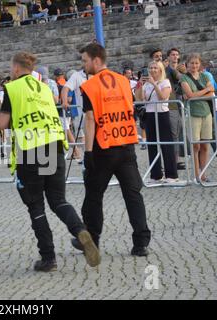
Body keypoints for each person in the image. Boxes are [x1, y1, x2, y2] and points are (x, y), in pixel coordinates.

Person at [0, 52, 100, 271]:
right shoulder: (44, 88)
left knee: (36, 206)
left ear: (16, 68)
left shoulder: (13, 89)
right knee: (58, 201)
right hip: (54, 146)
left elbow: (2, 123)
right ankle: (81, 231)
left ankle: (48, 258)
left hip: (30, 151)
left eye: (11, 68)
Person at [76, 43, 151, 257]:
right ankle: (141, 243)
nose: (83, 65)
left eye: (85, 60)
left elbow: (90, 120)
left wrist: (88, 152)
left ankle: (92, 240)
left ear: (96, 60)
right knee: (133, 194)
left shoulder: (90, 86)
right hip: (126, 143)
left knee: (93, 195)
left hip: (103, 146)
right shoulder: (123, 81)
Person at [135, 61, 178, 183]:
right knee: (152, 145)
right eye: (150, 68)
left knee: (166, 144)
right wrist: (140, 84)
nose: (153, 70)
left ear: (160, 70)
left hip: (162, 114)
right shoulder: (146, 84)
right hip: (150, 114)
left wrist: (154, 84)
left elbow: (163, 97)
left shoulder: (165, 82)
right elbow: (139, 98)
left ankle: (171, 175)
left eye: (155, 68)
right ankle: (156, 175)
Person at [180, 53, 214, 183]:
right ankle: (196, 175)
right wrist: (205, 90)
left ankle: (203, 174)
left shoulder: (205, 76)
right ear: (187, 64)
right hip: (194, 114)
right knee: (196, 146)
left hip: (206, 113)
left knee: (205, 146)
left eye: (196, 63)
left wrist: (196, 95)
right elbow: (190, 95)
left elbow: (211, 94)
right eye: (192, 63)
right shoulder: (184, 78)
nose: (194, 65)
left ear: (200, 64)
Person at [165, 48, 187, 170]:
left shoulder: (180, 68)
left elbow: (183, 80)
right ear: (168, 56)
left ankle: (178, 157)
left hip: (180, 101)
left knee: (179, 130)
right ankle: (174, 160)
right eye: (172, 54)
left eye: (176, 55)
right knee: (173, 132)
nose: (175, 56)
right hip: (171, 101)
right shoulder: (166, 69)